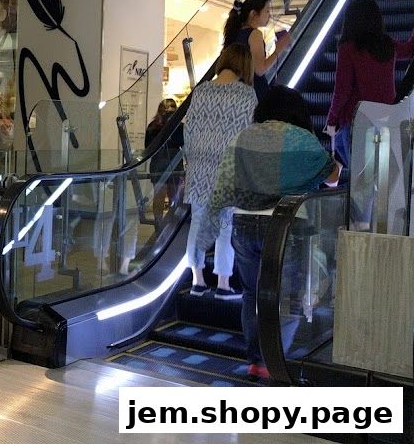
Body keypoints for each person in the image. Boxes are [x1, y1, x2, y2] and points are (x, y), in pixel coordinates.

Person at [211, 87, 341, 380]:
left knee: (251, 294)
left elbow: (223, 184)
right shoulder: (301, 139)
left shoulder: (243, 136)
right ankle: (275, 362)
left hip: (243, 224)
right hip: (284, 224)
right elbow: (332, 178)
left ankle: (255, 359)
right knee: (285, 296)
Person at [182, 44, 257, 299]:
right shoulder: (247, 95)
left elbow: (188, 130)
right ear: (245, 65)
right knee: (226, 226)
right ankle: (223, 284)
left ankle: (197, 280)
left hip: (199, 167)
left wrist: (190, 163)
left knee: (197, 222)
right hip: (229, 169)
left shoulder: (201, 91)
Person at [325, 0, 414, 167]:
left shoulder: (348, 48)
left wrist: (331, 119)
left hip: (358, 119)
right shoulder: (387, 45)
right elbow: (409, 50)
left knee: (360, 177)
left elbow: (342, 89)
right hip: (387, 119)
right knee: (382, 175)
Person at [223, 0, 293, 100]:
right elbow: (260, 70)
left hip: (237, 90)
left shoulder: (235, 34)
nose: (269, 15)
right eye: (267, 11)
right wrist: (278, 49)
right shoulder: (255, 34)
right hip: (254, 90)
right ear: (253, 14)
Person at [144, 98, 182, 219]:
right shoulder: (179, 126)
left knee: (159, 196)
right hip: (174, 163)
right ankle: (170, 225)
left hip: (159, 164)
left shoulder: (152, 127)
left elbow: (148, 147)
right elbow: (182, 143)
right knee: (174, 197)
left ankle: (159, 225)